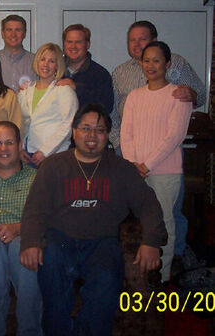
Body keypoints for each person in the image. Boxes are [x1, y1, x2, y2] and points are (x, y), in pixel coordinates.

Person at [20, 103, 167, 336]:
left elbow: (149, 206)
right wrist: (30, 242)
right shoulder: (53, 166)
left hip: (102, 241)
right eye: (85, 128)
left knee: (106, 285)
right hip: (60, 240)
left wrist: (151, 242)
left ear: (107, 135)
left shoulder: (122, 169)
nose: (91, 136)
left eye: (99, 130)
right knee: (53, 284)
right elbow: (35, 210)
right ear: (74, 131)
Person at [121, 41, 192, 282]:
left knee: (164, 223)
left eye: (157, 60)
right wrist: (132, 164)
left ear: (168, 63)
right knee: (137, 224)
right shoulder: (134, 96)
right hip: (135, 172)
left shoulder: (178, 96)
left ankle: (161, 277)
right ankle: (137, 275)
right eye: (146, 60)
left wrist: (147, 164)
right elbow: (126, 132)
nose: (150, 65)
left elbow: (175, 136)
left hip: (164, 172)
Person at [0, 121, 41, 336]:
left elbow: (49, 218)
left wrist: (19, 228)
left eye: (9, 142)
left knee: (22, 246)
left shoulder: (38, 179)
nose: (3, 149)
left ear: (20, 145)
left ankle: (30, 331)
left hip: (24, 238)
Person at [111, 20, 205, 152]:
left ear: (154, 40)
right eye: (132, 40)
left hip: (165, 146)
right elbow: (113, 112)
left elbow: (200, 95)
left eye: (142, 39)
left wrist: (193, 95)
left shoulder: (175, 63)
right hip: (128, 146)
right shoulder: (119, 72)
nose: (136, 44)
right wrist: (118, 142)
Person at [18, 43, 78, 167]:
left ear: (57, 65)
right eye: (43, 59)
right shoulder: (25, 91)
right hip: (28, 155)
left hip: (55, 155)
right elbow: (21, 122)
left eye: (51, 61)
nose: (45, 64)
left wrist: (44, 152)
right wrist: (20, 148)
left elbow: (68, 125)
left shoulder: (64, 90)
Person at [56, 24, 113, 113]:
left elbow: (106, 108)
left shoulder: (100, 74)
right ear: (64, 44)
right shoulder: (53, 70)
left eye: (78, 42)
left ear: (87, 44)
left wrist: (77, 89)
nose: (73, 46)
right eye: (69, 42)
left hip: (85, 126)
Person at [0, 15, 36, 92]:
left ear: (24, 34)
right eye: (9, 30)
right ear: (2, 34)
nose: (13, 34)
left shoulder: (36, 61)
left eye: (18, 30)